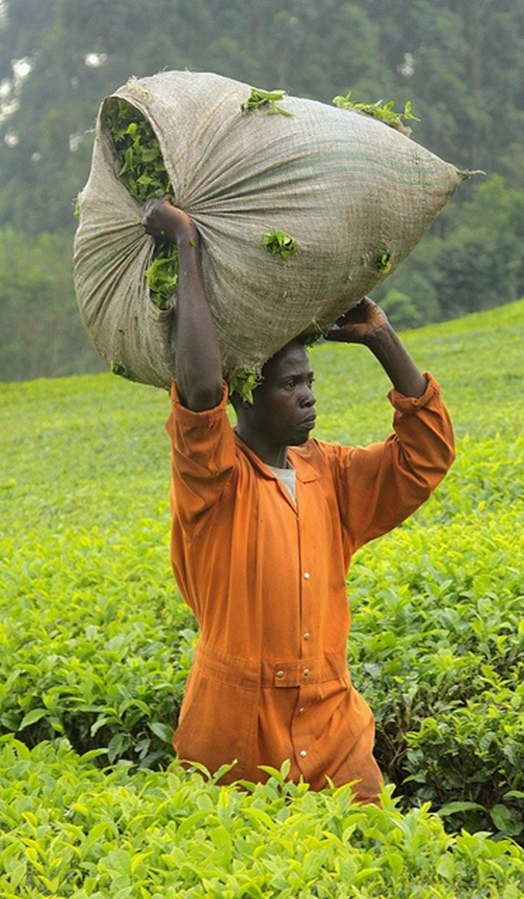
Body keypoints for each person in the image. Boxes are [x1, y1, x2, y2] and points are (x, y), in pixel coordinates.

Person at [141, 196, 455, 804]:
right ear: (247, 395)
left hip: (334, 723)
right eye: (290, 384)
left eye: (310, 381)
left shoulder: (332, 474)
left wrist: (382, 339)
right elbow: (201, 388)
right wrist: (187, 243)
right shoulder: (213, 478)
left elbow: (426, 456)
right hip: (234, 731)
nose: (308, 396)